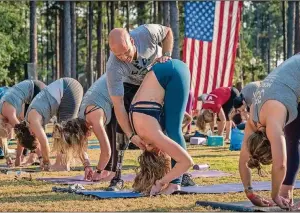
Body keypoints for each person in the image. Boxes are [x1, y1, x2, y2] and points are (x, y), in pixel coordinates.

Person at [106, 24, 173, 190]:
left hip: (156, 77)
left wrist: (166, 55)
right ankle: (117, 176)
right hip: (132, 84)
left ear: (132, 40)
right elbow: (118, 104)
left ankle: (178, 173)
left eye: (126, 52)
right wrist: (131, 135)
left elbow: (168, 32)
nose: (124, 57)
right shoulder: (113, 66)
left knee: (167, 122)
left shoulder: (146, 33)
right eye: (118, 54)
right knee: (119, 127)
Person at [238, 53, 300, 211]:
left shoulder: (272, 125)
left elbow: (280, 164)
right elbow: (243, 161)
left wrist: (274, 195)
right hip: (295, 76)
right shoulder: (252, 122)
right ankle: (286, 190)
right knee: (292, 138)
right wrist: (251, 194)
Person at [130, 59, 194, 195]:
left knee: (174, 131)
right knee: (172, 129)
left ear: (159, 153)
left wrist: (161, 182)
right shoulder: (139, 134)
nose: (168, 153)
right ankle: (174, 183)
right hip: (163, 71)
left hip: (172, 73)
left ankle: (175, 185)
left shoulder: (153, 136)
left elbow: (187, 162)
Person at [52, 74, 118, 181]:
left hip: (123, 80)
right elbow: (80, 146)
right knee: (111, 131)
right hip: (115, 83)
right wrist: (87, 165)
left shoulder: (94, 117)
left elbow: (106, 152)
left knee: (116, 135)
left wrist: (98, 172)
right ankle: (109, 170)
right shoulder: (84, 116)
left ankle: (114, 172)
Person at [14, 78, 83, 171]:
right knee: (58, 131)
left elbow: (44, 143)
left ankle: (62, 165)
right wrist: (40, 158)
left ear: (31, 133)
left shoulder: (33, 121)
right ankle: (62, 163)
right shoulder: (27, 123)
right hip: (66, 89)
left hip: (68, 89)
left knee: (64, 131)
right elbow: (21, 139)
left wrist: (46, 162)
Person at [0, 80, 45, 162]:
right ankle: (36, 157)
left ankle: (41, 159)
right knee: (29, 128)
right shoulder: (1, 116)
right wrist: (10, 157)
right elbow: (8, 136)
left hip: (35, 89)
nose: (9, 136)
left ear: (4, 127)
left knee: (33, 129)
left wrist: (18, 158)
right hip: (27, 93)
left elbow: (23, 134)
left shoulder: (8, 113)